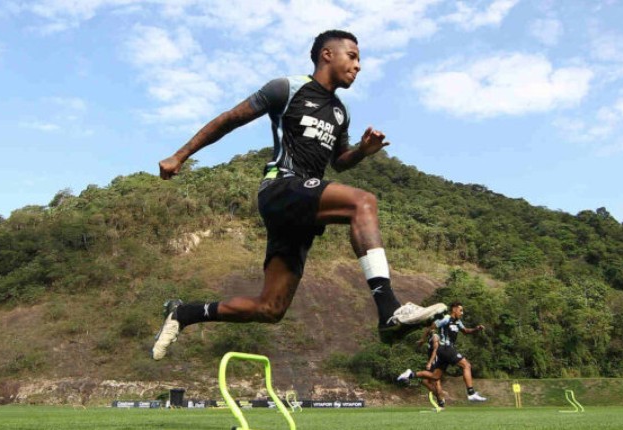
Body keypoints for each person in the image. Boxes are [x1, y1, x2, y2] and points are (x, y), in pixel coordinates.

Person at [152, 29, 446, 360]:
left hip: (302, 206)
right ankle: (389, 307)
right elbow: (229, 120)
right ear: (327, 55)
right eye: (353, 56)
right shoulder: (287, 88)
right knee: (363, 202)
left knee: (271, 307)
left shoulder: (340, 112)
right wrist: (180, 155)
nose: (359, 66)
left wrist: (363, 151)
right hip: (281, 186)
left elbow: (339, 162)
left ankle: (184, 313)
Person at [398, 301, 487, 402]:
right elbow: (431, 327)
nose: (462, 313)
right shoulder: (446, 318)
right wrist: (423, 339)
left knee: (435, 376)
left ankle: (410, 374)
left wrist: (476, 328)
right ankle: (471, 393)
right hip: (445, 348)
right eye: (460, 310)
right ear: (454, 309)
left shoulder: (458, 322)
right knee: (466, 365)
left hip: (445, 351)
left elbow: (466, 331)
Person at [397, 327, 446, 408]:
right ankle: (440, 400)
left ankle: (411, 374)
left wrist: (430, 362)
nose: (426, 330)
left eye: (429, 328)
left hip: (435, 362)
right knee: (425, 381)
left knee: (436, 382)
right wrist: (421, 341)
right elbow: (426, 333)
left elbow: (435, 350)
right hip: (434, 362)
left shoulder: (435, 337)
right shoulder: (430, 336)